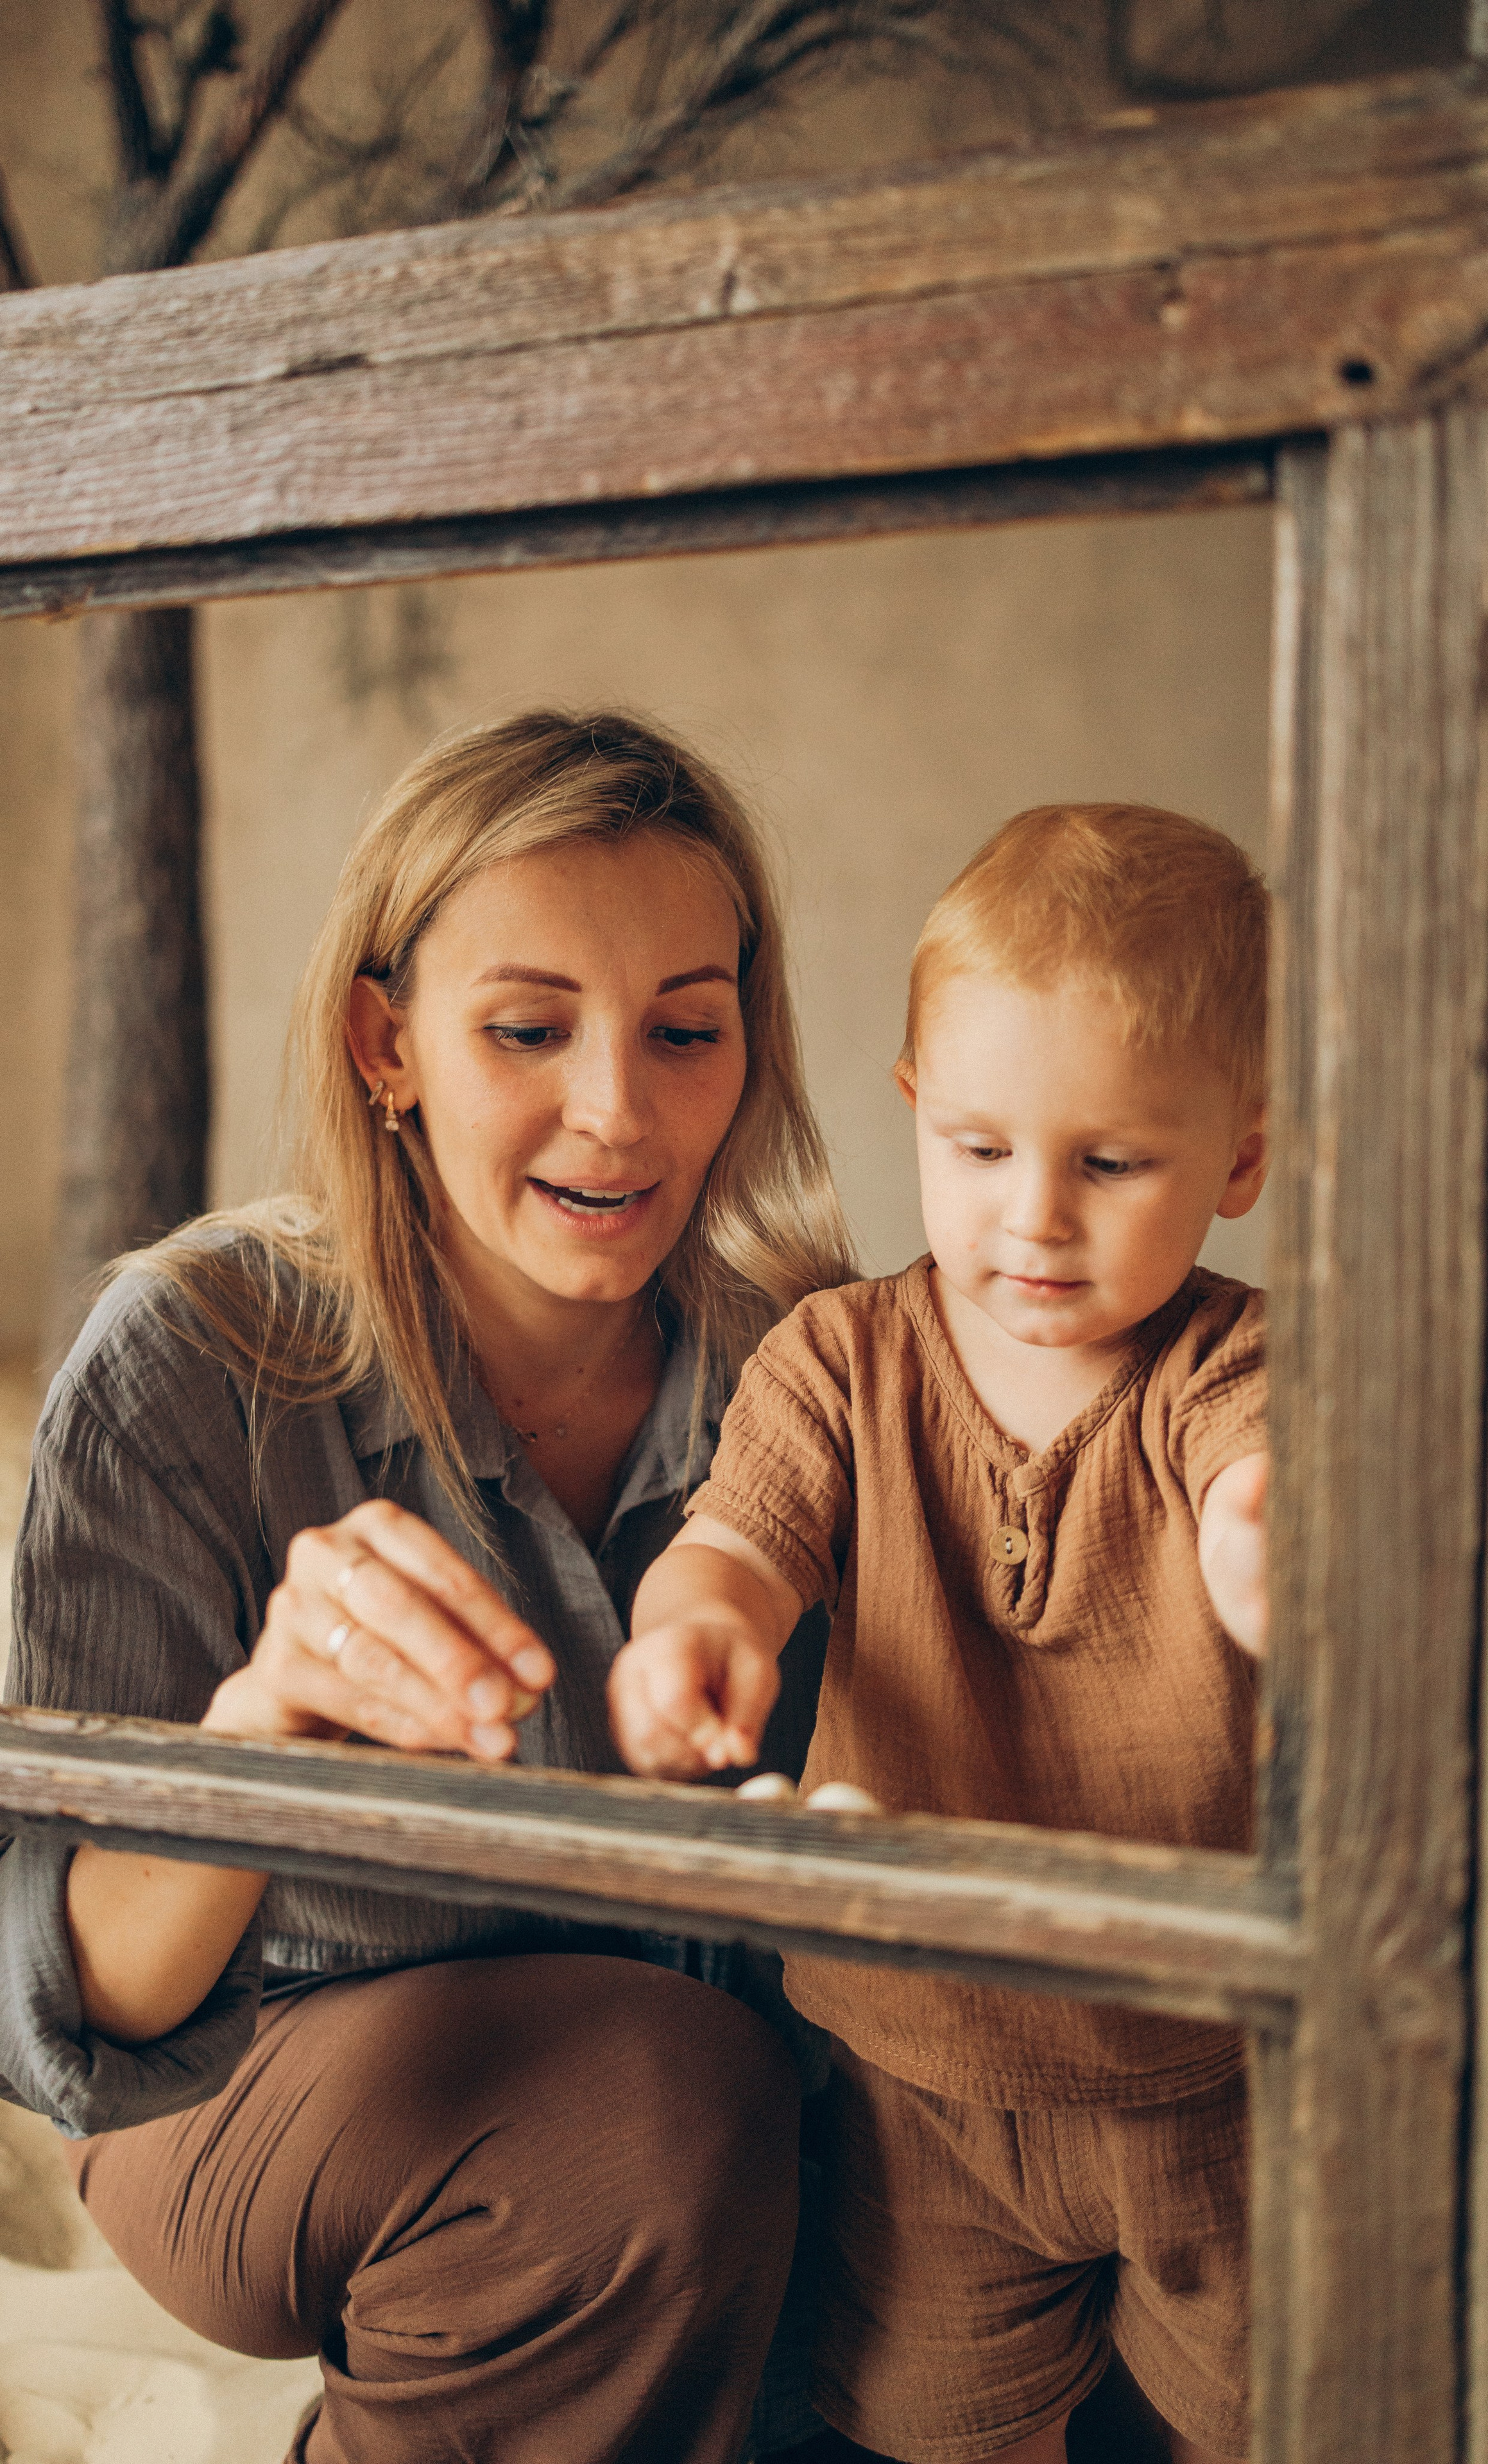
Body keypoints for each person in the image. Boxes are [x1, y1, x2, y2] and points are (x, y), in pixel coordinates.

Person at [0, 711, 860, 2464]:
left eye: (686, 1030)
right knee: (652, 2105)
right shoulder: (187, 1362)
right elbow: (24, 1992)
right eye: (527, 1028)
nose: (620, 1109)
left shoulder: (817, 1362)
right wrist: (259, 1740)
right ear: (386, 1039)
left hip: (726, 2109)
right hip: (247, 2090)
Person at [611, 802, 1270, 2464]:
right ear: (916, 1114)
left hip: (1219, 2068)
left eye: (1111, 1162)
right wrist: (697, 1633)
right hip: (923, 2066)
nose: (1035, 1215)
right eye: (981, 1150)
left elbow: (1269, 1497)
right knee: (933, 2420)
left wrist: (1277, 1551)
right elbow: (739, 1542)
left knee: (1275, 2406)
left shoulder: (1236, 1370)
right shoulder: (844, 1361)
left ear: (1240, 1159)